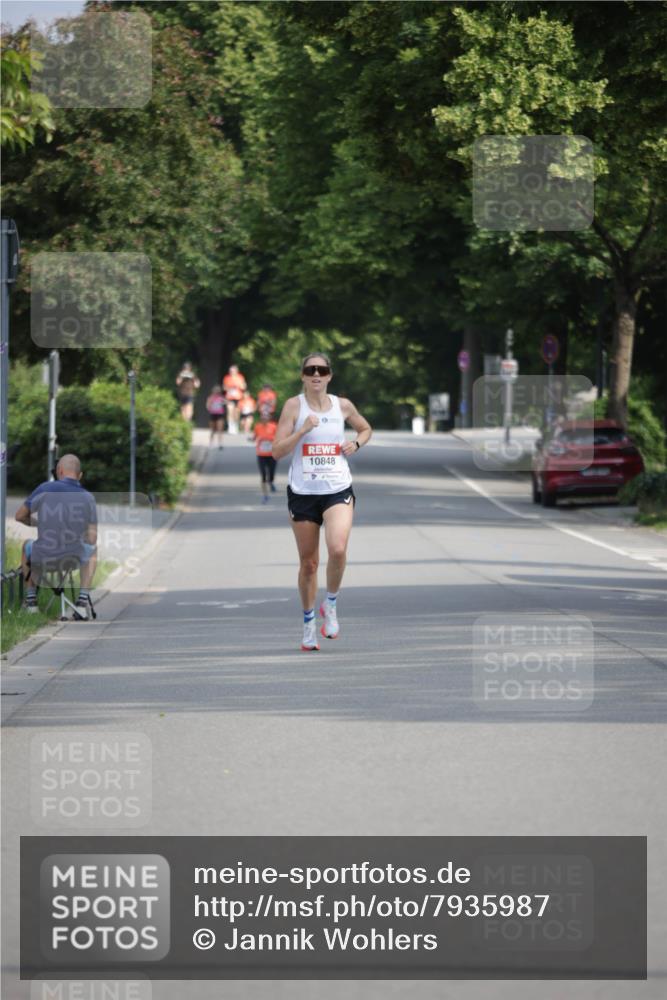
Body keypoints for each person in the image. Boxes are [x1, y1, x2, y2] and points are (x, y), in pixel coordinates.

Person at [272, 352, 372, 651]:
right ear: (302, 376)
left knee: (338, 549)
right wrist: (302, 430)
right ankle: (308, 624)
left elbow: (366, 428)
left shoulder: (343, 406)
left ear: (329, 375)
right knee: (309, 563)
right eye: (310, 370)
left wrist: (356, 443)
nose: (316, 374)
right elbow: (276, 451)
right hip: (303, 492)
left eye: (322, 370)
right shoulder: (294, 406)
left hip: (337, 488)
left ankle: (331, 603)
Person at [15, 454, 97, 619]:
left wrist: (38, 523)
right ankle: (82, 603)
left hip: (44, 557)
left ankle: (31, 602)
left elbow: (20, 516)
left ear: (59, 471)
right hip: (73, 558)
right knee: (93, 550)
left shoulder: (44, 489)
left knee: (26, 545)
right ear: (80, 475)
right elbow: (92, 538)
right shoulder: (88, 497)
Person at [253, 405, 279, 503]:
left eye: (266, 416)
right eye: (262, 417)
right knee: (263, 475)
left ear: (269, 418)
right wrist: (254, 439)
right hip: (261, 455)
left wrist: (271, 439)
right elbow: (255, 437)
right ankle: (265, 495)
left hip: (272, 454)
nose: (264, 418)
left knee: (271, 473)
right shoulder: (257, 427)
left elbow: (278, 438)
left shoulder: (274, 426)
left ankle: (271, 482)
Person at [222, 364, 247, 433]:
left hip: (238, 397)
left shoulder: (240, 377)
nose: (232, 372)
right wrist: (229, 388)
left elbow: (244, 387)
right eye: (230, 371)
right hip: (229, 397)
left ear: (236, 371)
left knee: (236, 412)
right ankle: (230, 427)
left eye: (233, 371)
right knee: (230, 410)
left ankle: (235, 426)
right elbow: (224, 388)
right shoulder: (227, 378)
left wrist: (237, 386)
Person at [206, 384, 226, 449]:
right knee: (212, 429)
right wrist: (210, 405)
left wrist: (223, 403)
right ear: (213, 391)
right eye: (215, 391)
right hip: (213, 414)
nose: (216, 392)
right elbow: (207, 406)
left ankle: (220, 443)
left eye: (218, 391)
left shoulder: (221, 398)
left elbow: (226, 402)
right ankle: (211, 443)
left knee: (220, 429)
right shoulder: (210, 398)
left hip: (220, 414)